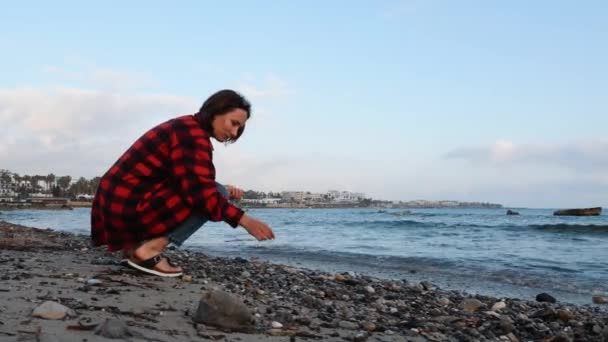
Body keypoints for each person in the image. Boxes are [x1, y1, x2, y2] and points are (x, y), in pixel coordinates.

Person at [91, 89, 275, 277]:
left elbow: (184, 176)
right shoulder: (192, 136)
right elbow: (200, 192)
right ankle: (149, 250)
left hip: (116, 202)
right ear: (215, 111)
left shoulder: (185, 126)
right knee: (213, 195)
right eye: (233, 123)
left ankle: (134, 249)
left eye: (240, 128)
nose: (235, 132)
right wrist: (245, 220)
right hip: (125, 204)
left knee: (214, 190)